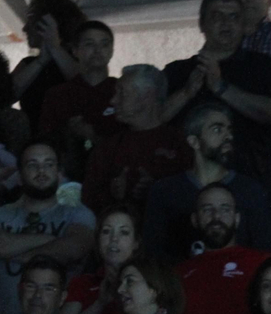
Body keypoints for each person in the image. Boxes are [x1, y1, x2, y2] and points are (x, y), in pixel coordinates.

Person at [162, 0, 271, 180]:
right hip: (189, 178)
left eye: (234, 17)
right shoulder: (177, 71)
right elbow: (155, 120)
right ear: (202, 24)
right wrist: (186, 93)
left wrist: (221, 88)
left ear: (243, 24)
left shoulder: (260, 65)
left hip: (247, 177)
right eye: (217, 16)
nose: (226, 23)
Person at [0, 140, 96, 314]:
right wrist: (49, 240)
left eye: (49, 164)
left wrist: (15, 253)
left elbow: (74, 249)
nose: (41, 171)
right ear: (20, 176)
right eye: (33, 165)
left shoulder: (78, 214)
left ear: (58, 172)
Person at [142, 101, 271, 259]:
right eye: (217, 129)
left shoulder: (249, 189)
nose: (228, 136)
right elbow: (153, 252)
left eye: (229, 130)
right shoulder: (166, 191)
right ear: (194, 141)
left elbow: (267, 251)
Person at [174, 184, 271, 314]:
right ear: (195, 219)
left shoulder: (262, 263)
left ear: (237, 219)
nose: (216, 216)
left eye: (225, 209)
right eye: (207, 209)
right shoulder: (179, 273)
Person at [81, 64, 191, 214]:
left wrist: (157, 190)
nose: (113, 100)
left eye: (122, 93)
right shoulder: (109, 147)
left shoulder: (181, 144)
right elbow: (88, 203)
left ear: (147, 95)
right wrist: (112, 195)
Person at [37, 19, 119, 178]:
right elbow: (45, 144)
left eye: (104, 44)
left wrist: (91, 136)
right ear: (75, 50)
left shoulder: (123, 92)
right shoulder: (57, 95)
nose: (97, 50)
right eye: (89, 44)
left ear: (111, 50)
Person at [60, 205, 138, 314]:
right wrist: (100, 303)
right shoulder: (83, 283)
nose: (114, 238)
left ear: (136, 243)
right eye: (107, 231)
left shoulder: (148, 283)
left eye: (124, 232)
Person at [12, 0, 88, 121]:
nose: (25, 29)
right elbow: (5, 96)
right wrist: (41, 60)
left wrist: (55, 48)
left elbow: (87, 84)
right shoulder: (28, 63)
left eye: (31, 22)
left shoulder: (79, 61)